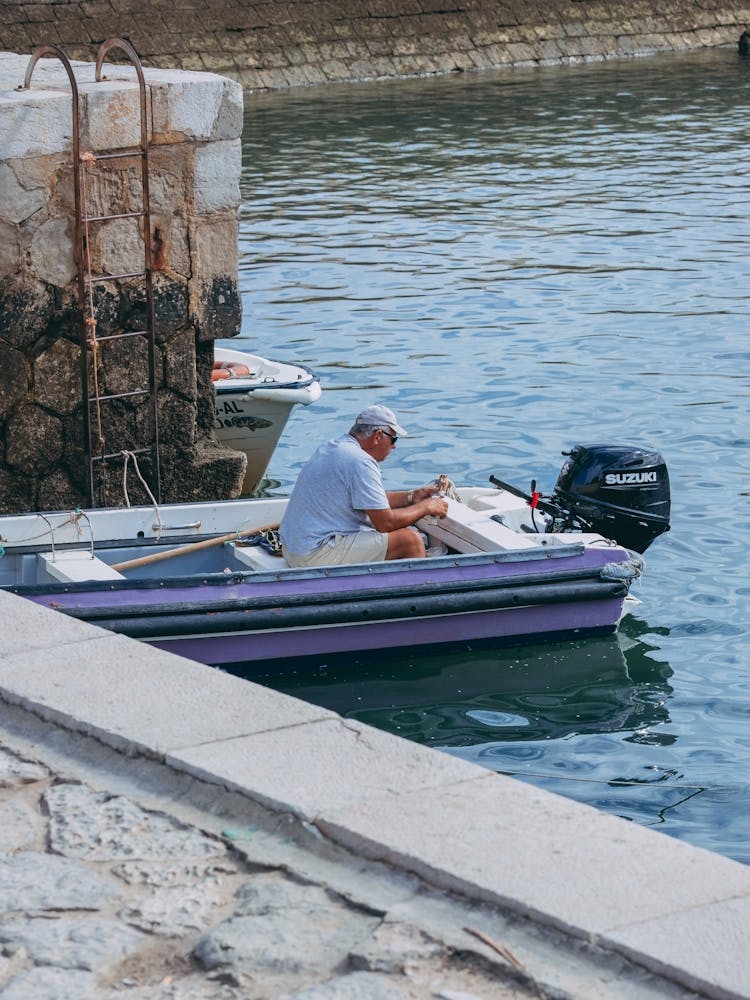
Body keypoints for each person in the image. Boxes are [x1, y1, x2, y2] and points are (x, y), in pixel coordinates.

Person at [279, 404, 449, 567]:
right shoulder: (361, 462)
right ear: (377, 436)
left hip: (293, 548)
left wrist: (412, 497)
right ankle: (412, 592)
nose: (394, 446)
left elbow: (371, 501)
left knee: (402, 530)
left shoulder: (333, 447)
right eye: (393, 439)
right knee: (410, 540)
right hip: (313, 554)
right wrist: (426, 507)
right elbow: (385, 523)